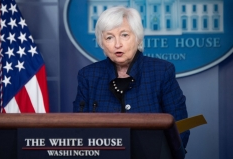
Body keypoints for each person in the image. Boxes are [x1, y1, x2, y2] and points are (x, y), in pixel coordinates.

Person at [73, 6, 190, 149]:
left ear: (138, 38)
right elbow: (78, 129)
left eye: (124, 35)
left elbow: (180, 126)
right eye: (109, 37)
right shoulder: (88, 76)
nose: (117, 44)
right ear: (102, 43)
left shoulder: (161, 72)